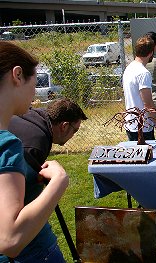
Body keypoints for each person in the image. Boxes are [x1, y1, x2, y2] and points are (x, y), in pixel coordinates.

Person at [0, 42, 69, 262]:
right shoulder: (5, 144)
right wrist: (59, 180)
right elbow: (10, 239)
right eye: (35, 81)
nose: (34, 93)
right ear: (17, 75)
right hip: (34, 254)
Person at [8, 98, 87, 174]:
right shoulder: (37, 143)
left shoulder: (36, 115)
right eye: (75, 130)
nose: (73, 135)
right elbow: (22, 185)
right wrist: (58, 178)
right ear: (64, 126)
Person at [123, 36, 156, 141]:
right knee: (147, 156)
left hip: (131, 123)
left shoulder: (129, 68)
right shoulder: (143, 73)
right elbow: (148, 104)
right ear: (151, 53)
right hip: (142, 128)